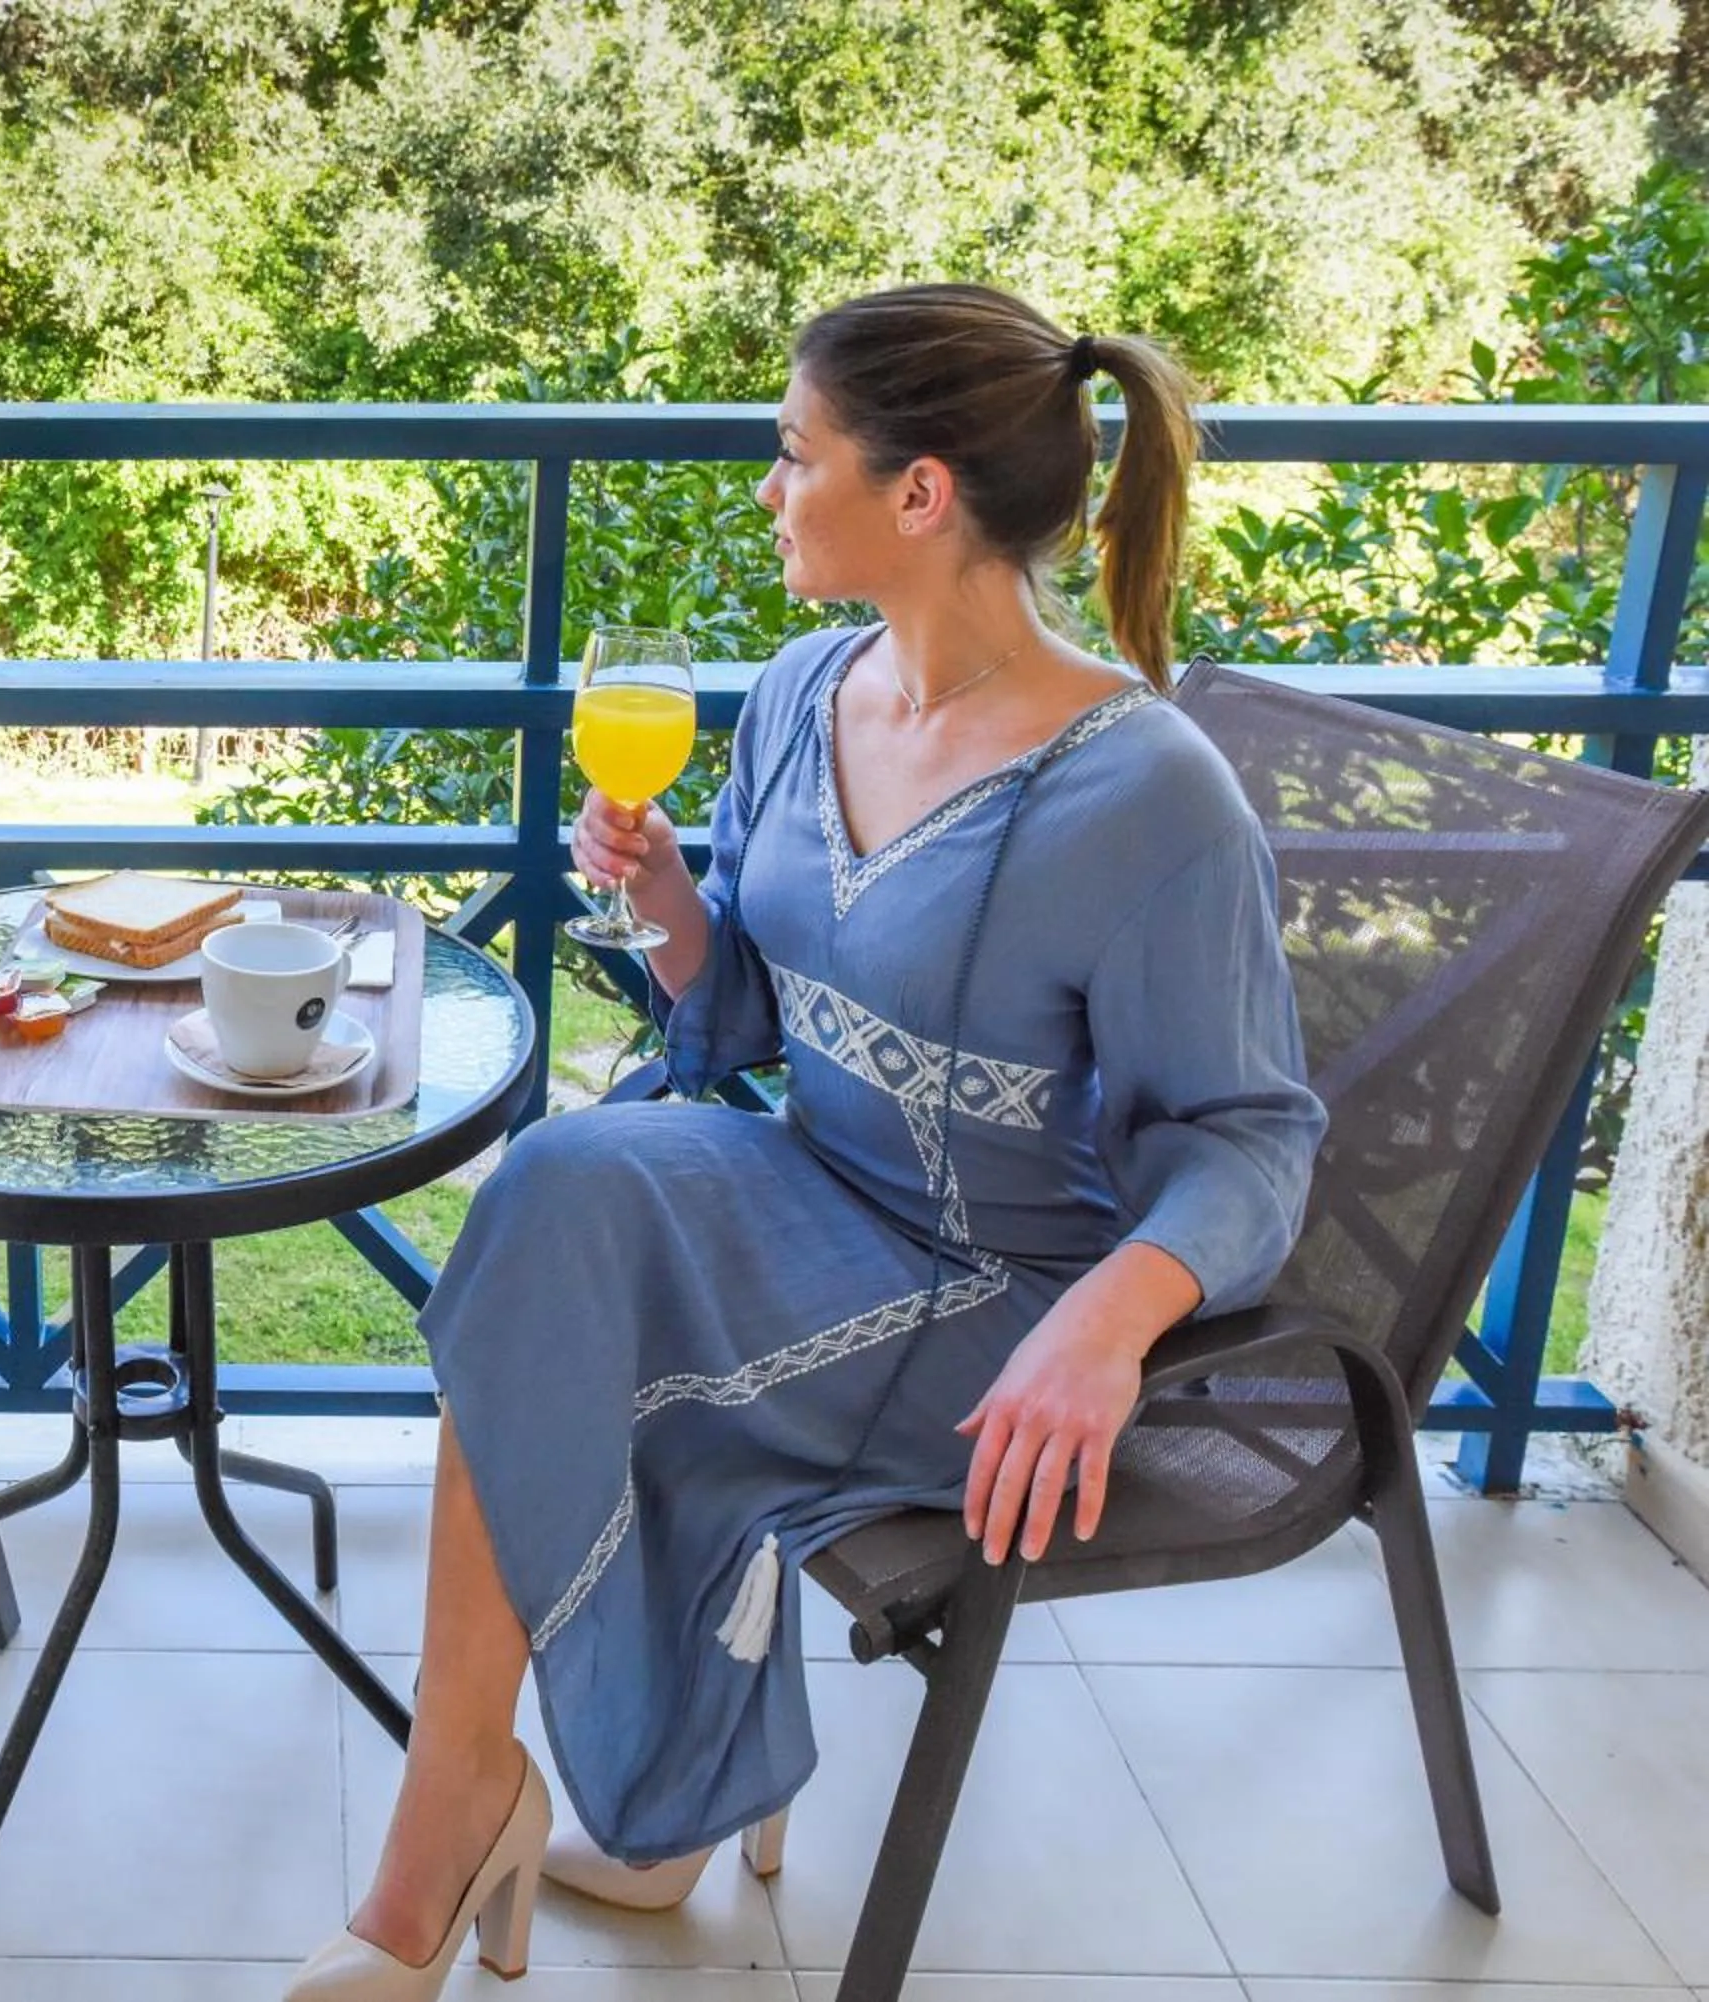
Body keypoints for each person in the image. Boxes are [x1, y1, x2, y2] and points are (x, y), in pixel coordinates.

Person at [286, 283, 1327, 2000]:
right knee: (553, 1195)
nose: (770, 491)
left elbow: (1251, 1137)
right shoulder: (801, 689)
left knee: (572, 1310)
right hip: (814, 1194)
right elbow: (752, 1017)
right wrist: (664, 893)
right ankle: (509, 1784)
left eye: (795, 454)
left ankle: (502, 1828)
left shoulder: (1148, 795)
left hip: (1007, 1305)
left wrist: (1112, 1318)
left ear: (919, 493)